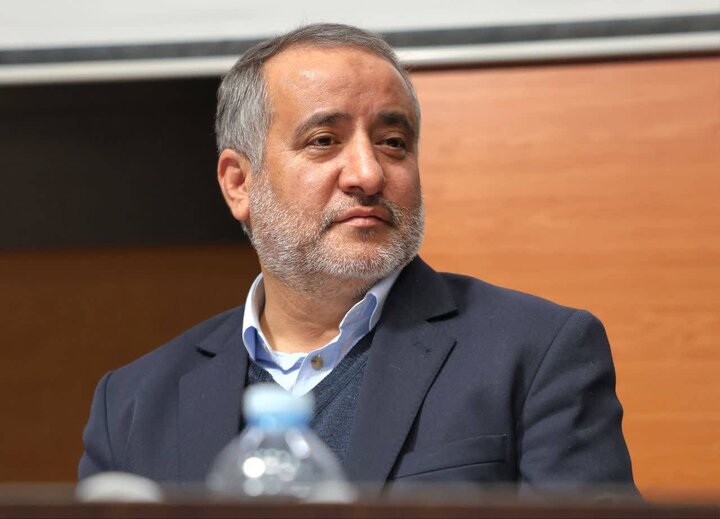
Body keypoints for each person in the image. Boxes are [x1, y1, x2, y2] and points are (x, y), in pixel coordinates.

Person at [79, 23, 636, 493]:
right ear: (239, 183)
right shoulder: (132, 403)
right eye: (324, 140)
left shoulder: (535, 353)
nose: (368, 175)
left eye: (393, 142)